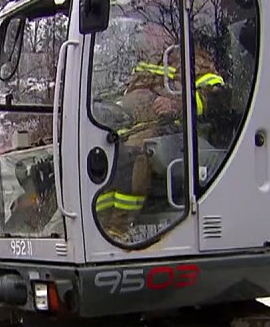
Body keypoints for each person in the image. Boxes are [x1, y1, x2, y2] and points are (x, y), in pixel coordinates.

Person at [95, 32, 227, 244]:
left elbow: (216, 97)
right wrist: (114, 110)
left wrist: (178, 105)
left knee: (137, 152)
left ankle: (118, 229)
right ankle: (98, 225)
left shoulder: (196, 61)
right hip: (138, 129)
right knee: (103, 151)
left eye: (150, 29)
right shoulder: (147, 63)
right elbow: (132, 96)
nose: (145, 34)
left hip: (180, 133)